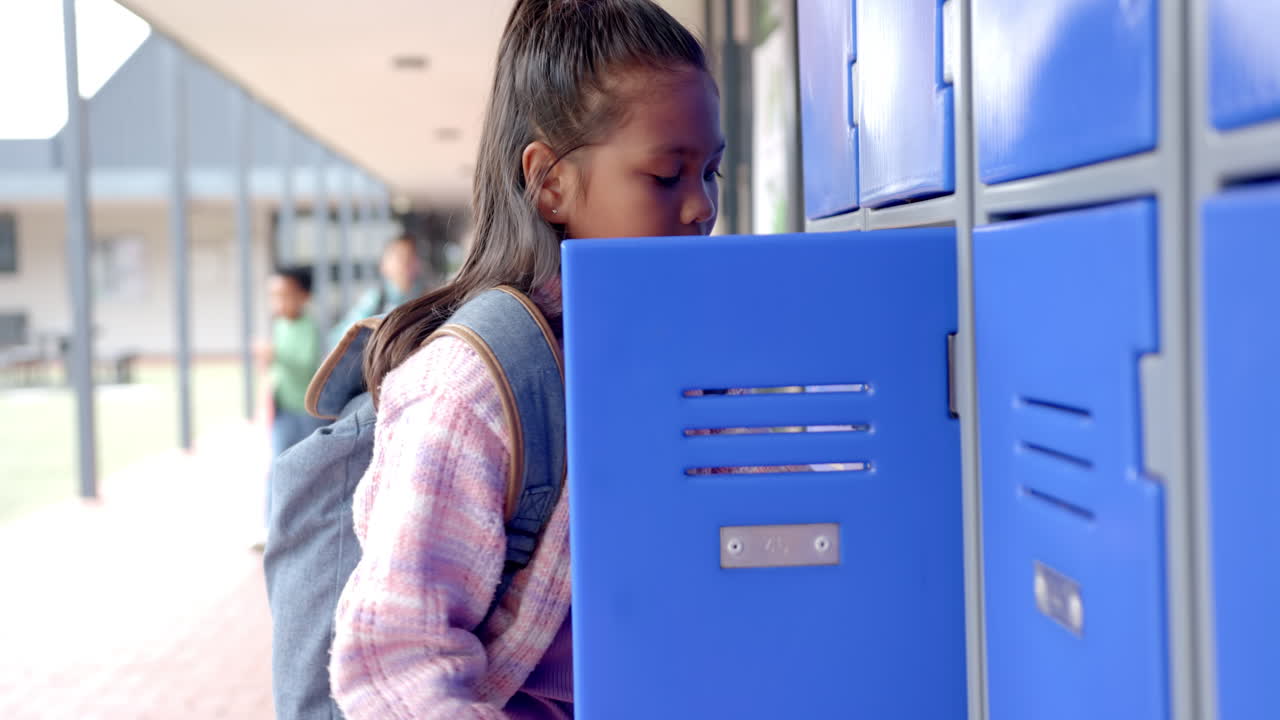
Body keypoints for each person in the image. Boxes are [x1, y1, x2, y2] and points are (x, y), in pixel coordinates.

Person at [329, 0, 723, 717]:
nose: (701, 207)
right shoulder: (466, 391)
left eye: (711, 174)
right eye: (667, 176)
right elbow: (394, 664)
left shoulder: (690, 354)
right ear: (550, 184)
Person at [256, 266, 326, 547]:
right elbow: (277, 372)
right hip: (284, 409)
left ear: (304, 296)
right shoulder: (278, 325)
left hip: (308, 412)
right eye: (274, 296)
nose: (278, 303)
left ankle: (306, 528)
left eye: (285, 296)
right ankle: (270, 528)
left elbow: (305, 363)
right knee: (277, 466)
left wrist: (277, 355)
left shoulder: (308, 327)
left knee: (309, 468)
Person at [325, 234, 423, 349]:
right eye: (399, 256)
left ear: (418, 263)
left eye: (410, 256)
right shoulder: (375, 299)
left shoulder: (426, 297)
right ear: (383, 266)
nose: (405, 262)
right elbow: (344, 336)